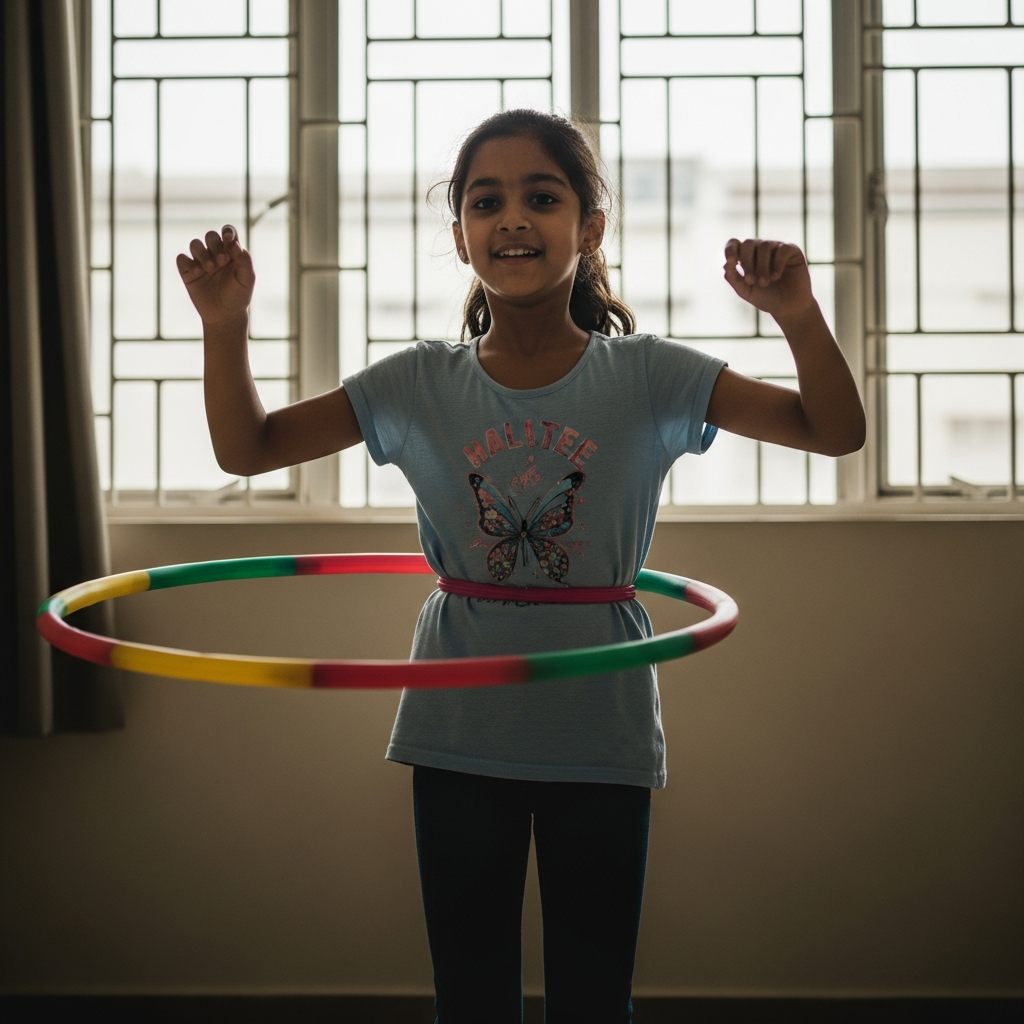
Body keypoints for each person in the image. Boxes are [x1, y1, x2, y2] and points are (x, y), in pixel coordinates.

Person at [178, 109, 864, 1024]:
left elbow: (835, 430)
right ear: (461, 233)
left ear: (590, 228)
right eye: (484, 201)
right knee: (470, 988)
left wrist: (799, 316)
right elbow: (248, 448)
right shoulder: (418, 381)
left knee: (594, 989)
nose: (512, 219)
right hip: (459, 725)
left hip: (600, 726)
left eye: (542, 198)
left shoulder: (652, 375)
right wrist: (226, 325)